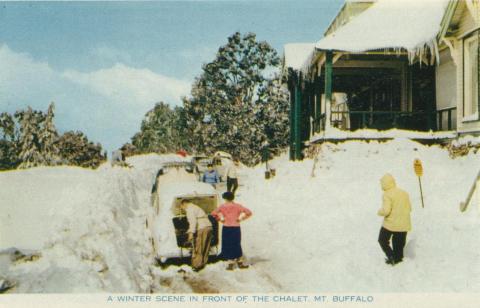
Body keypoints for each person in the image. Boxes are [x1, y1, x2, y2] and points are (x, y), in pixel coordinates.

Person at [377, 173, 412, 266]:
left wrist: (380, 212)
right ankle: (398, 262)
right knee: (398, 246)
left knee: (382, 240)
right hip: (404, 224)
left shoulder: (387, 194)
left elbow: (386, 211)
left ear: (385, 184)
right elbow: (410, 208)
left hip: (391, 224)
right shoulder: (404, 193)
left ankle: (392, 257)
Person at [211, 191, 252, 270]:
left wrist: (220, 220)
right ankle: (240, 262)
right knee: (236, 243)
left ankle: (230, 263)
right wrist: (241, 219)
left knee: (227, 244)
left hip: (226, 227)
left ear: (225, 198)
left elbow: (213, 213)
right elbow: (249, 212)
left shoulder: (222, 206)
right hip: (236, 227)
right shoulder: (238, 206)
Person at [179, 199, 213, 272]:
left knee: (199, 247)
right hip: (209, 226)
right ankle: (203, 263)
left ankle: (196, 266)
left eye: (182, 207)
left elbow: (193, 222)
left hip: (202, 228)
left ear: (184, 204)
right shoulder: (196, 207)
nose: (183, 209)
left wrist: (191, 233)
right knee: (206, 247)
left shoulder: (189, 209)